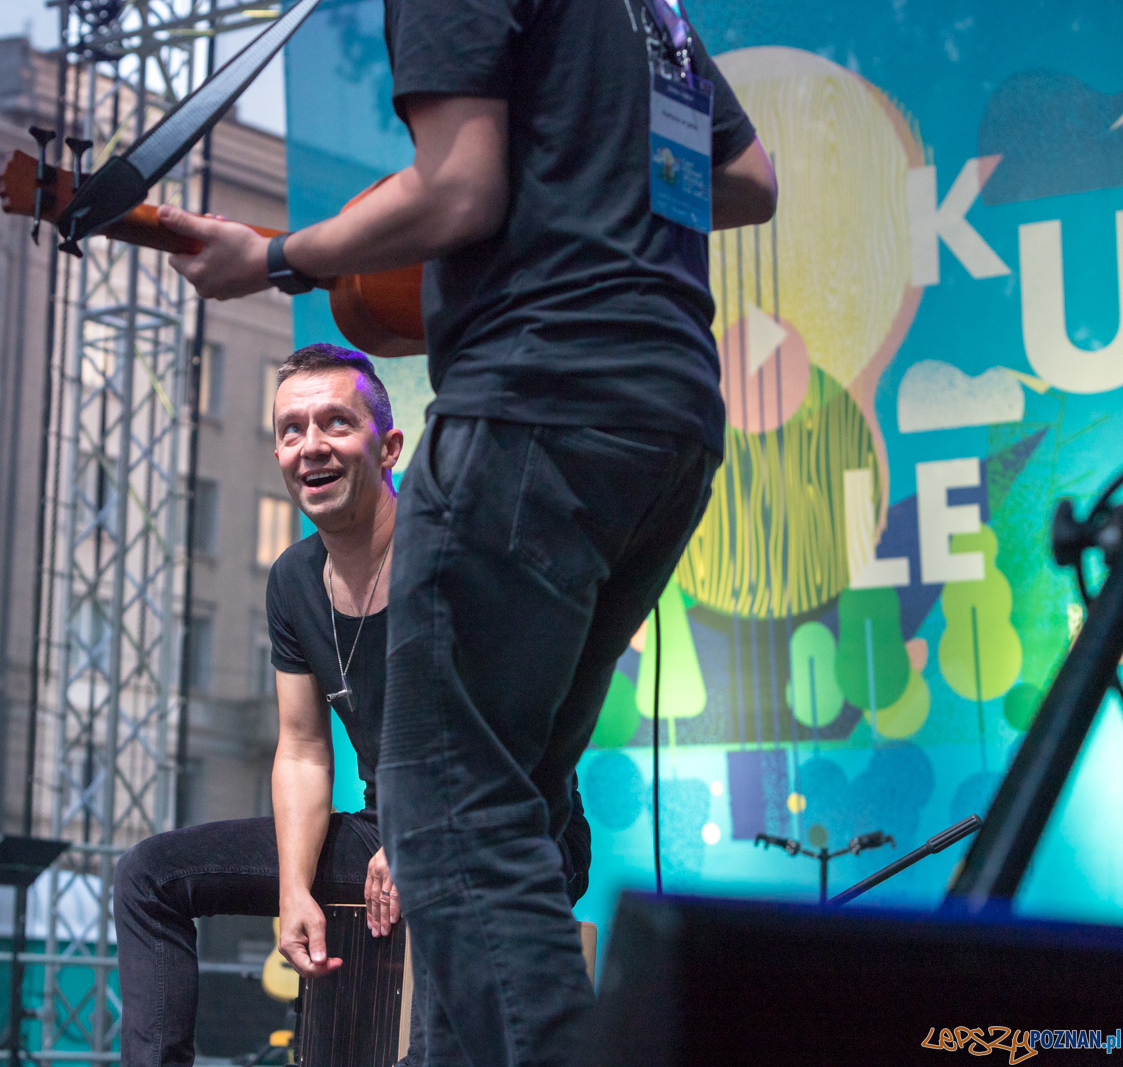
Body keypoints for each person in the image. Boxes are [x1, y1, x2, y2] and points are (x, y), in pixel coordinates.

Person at [157, 2, 777, 1063]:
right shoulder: (648, 11)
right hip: (668, 408)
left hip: (538, 392)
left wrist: (276, 257)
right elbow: (746, 179)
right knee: (514, 795)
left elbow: (457, 185)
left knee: (447, 808)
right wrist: (588, 194)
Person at [112, 344, 592, 1067]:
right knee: (148, 875)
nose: (311, 445)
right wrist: (295, 886)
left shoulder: (457, 553)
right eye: (292, 428)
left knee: (440, 882)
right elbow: (304, 751)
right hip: (387, 828)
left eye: (336, 422)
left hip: (511, 825)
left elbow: (518, 739)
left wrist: (418, 833)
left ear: (389, 445)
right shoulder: (293, 582)